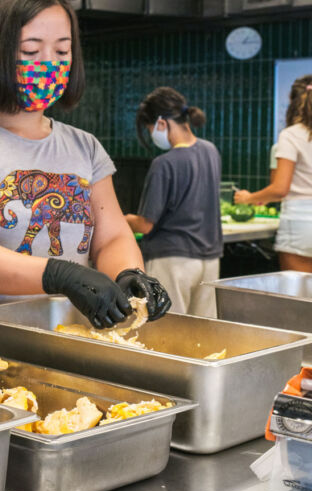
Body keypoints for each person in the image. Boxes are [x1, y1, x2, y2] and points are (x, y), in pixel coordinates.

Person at [0, 0, 171, 340]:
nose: (49, 63)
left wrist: (128, 273)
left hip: (66, 343)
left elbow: (112, 236)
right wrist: (58, 274)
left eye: (62, 51)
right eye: (31, 50)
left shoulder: (85, 147)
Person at [125, 88, 221, 318]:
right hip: (210, 259)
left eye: (150, 129)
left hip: (173, 260)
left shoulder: (164, 163)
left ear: (161, 123)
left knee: (169, 328)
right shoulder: (210, 150)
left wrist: (123, 220)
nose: (152, 135)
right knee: (204, 331)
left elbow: (146, 224)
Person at [236, 74, 312, 272]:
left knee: (297, 290)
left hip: (300, 225)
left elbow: (279, 189)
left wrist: (248, 198)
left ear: (293, 103)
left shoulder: (291, 135)